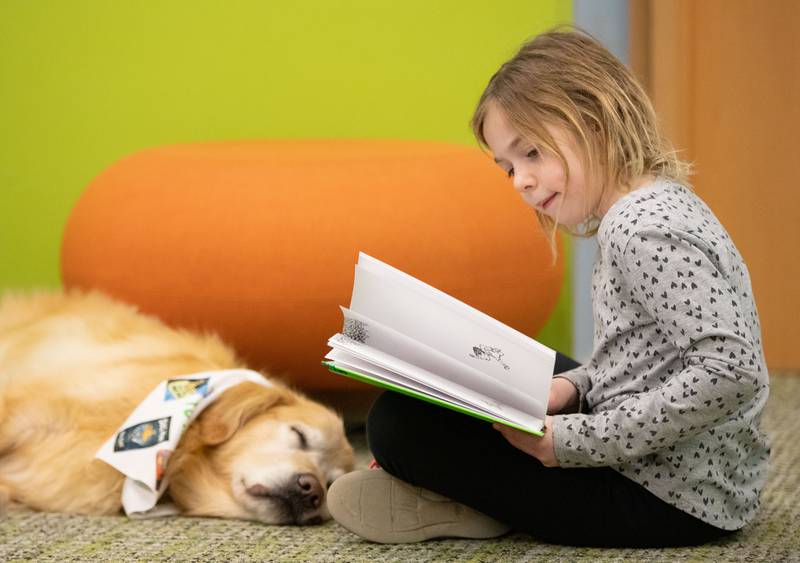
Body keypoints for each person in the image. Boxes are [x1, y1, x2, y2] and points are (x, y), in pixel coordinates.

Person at [326, 28, 770, 548]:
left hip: (667, 500)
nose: (520, 181)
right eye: (509, 167)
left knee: (399, 424)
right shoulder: (658, 201)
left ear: (595, 118)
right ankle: (487, 494)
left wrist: (574, 440)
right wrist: (576, 387)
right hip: (698, 477)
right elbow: (648, 358)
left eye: (532, 152)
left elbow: (730, 372)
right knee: (509, 376)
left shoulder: (639, 231)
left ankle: (467, 504)